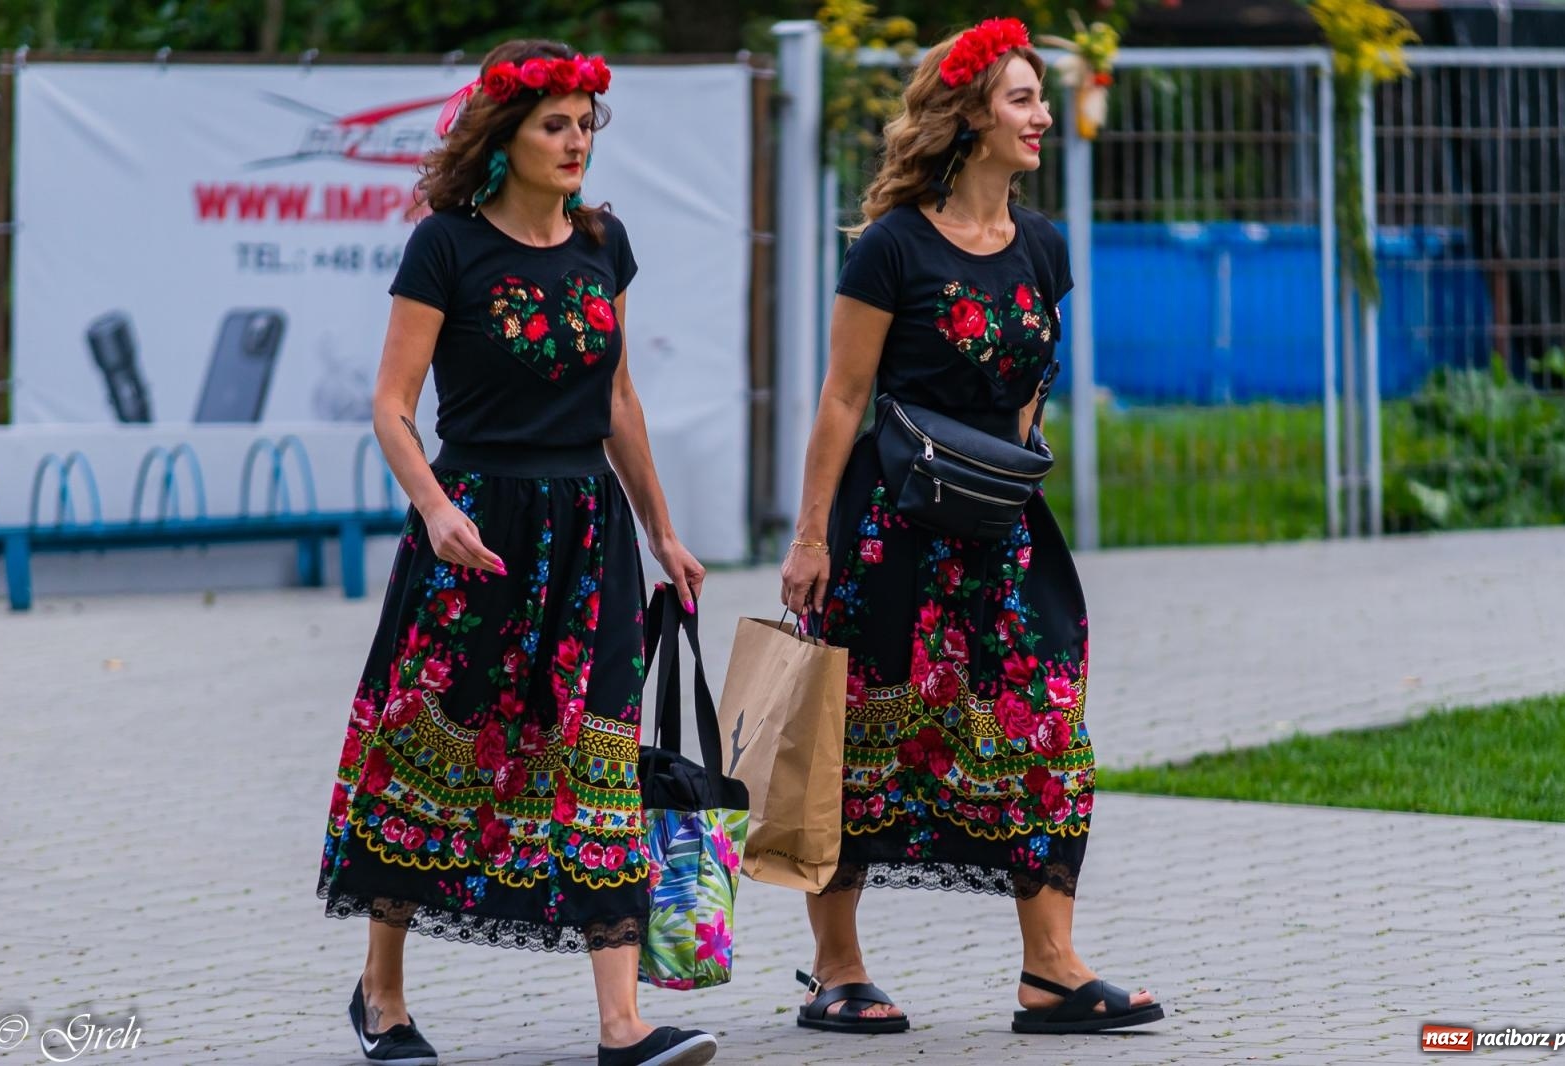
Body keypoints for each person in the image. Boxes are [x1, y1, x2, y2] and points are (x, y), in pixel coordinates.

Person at [317, 39, 717, 1066]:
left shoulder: (602, 244)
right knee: (431, 747)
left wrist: (664, 529)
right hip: (478, 529)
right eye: (555, 123)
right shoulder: (445, 247)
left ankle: (623, 1022)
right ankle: (383, 992)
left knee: (601, 757)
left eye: (586, 123)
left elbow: (618, 399)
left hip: (591, 531)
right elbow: (391, 407)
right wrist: (436, 508)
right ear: (503, 136)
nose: (576, 139)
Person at [779, 17, 1165, 1036]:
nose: (1042, 116)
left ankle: (1049, 971)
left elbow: (1030, 395)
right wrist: (810, 538)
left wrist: (1007, 479)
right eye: (1022, 99)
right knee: (861, 739)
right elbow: (839, 399)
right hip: (890, 532)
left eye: (1041, 99)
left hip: (1003, 531)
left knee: (1043, 726)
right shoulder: (890, 247)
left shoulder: (1043, 245)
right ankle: (836, 966)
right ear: (969, 117)